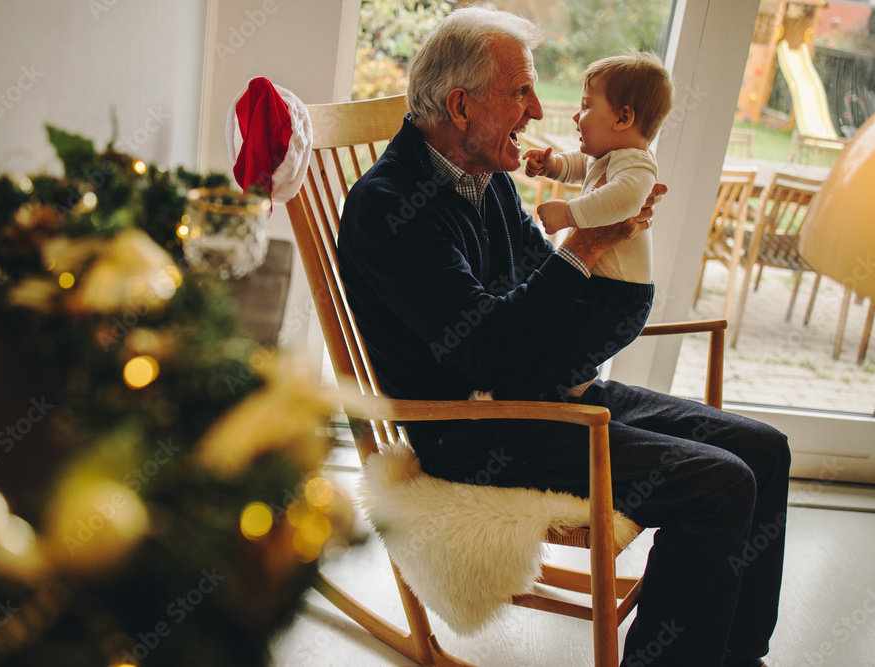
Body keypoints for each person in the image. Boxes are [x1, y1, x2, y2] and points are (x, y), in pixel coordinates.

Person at [337, 5, 788, 667]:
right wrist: (584, 244)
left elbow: (533, 288)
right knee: (718, 483)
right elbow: (490, 346)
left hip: (541, 387)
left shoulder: (482, 178)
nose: (537, 109)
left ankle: (734, 651)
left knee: (763, 449)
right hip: (473, 426)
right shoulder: (389, 209)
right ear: (461, 105)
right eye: (520, 91)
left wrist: (607, 248)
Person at [522, 49, 673, 397]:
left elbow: (624, 200)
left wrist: (568, 214)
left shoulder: (637, 165)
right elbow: (579, 164)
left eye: (587, 106)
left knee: (562, 354)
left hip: (619, 300)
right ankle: (580, 391)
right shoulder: (609, 157)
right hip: (597, 287)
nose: (577, 115)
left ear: (623, 118)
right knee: (563, 344)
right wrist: (552, 166)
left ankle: (570, 398)